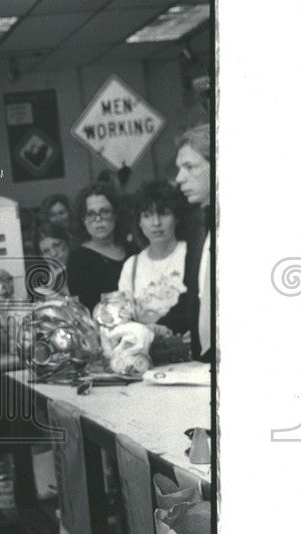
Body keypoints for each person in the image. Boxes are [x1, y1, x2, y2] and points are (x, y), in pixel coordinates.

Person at [118, 180, 188, 334]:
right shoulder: (132, 266)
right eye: (147, 216)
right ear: (139, 222)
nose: (156, 223)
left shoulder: (191, 253)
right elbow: (124, 317)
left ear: (177, 217)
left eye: (163, 214)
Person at [175, 124, 212, 361]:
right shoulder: (198, 226)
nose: (178, 178)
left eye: (190, 167)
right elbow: (193, 296)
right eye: (180, 168)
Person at [66, 181, 127, 312]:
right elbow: (85, 308)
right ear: (82, 219)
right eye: (90, 214)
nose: (98, 219)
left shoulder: (132, 249)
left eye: (104, 212)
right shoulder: (78, 258)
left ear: (116, 214)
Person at [26, 220, 71, 299]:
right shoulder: (38, 276)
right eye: (46, 251)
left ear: (67, 241)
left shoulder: (80, 267)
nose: (54, 254)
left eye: (57, 245)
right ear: (41, 256)